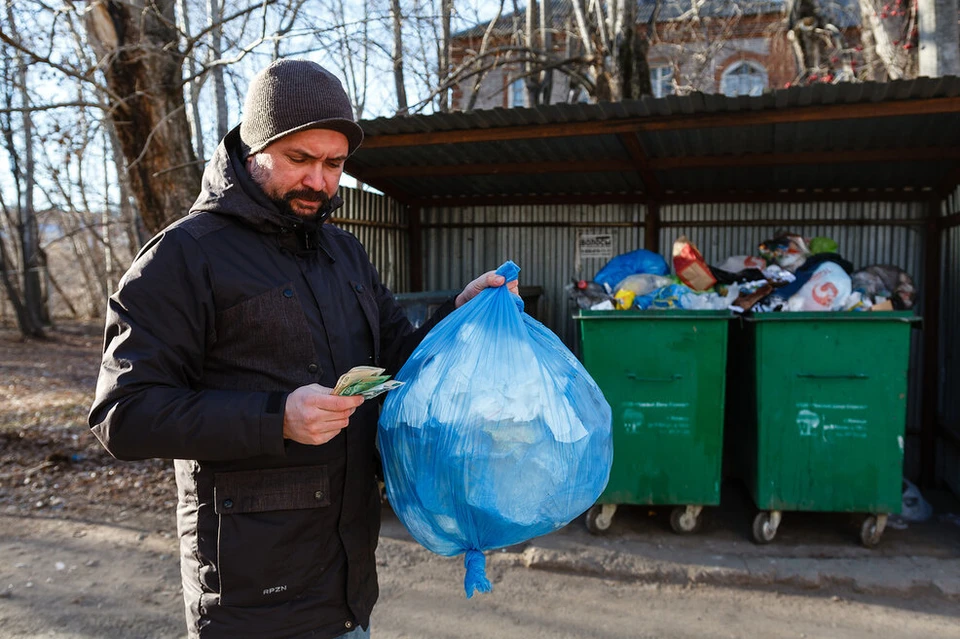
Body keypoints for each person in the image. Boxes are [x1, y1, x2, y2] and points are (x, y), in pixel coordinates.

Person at [88, 59, 518, 639]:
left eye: (334, 164)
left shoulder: (345, 254)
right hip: (251, 602)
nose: (319, 181)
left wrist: (458, 316)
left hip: (345, 585)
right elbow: (123, 414)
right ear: (251, 148)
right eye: (299, 160)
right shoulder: (183, 257)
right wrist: (277, 418)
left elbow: (400, 361)